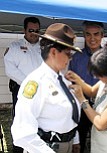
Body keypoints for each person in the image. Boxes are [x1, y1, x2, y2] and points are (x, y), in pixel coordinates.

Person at [11, 23, 82, 153]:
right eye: (68, 53)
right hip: (46, 148)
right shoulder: (36, 83)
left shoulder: (64, 80)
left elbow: (69, 113)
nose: (70, 58)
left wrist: (75, 140)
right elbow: (22, 133)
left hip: (66, 144)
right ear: (54, 52)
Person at [4, 16, 42, 153]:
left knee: (39, 122)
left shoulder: (44, 47)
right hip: (22, 90)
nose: (34, 33)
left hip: (42, 92)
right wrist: (29, 84)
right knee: (21, 122)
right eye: (31, 30)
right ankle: (19, 149)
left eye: (37, 30)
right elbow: (10, 69)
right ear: (24, 30)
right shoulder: (15, 47)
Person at [68, 20, 104, 153]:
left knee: (101, 142)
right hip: (81, 105)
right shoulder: (76, 57)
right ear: (84, 35)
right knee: (79, 143)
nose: (92, 38)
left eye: (96, 34)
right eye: (88, 34)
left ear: (102, 36)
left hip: (103, 106)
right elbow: (71, 83)